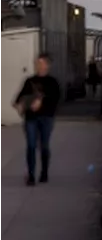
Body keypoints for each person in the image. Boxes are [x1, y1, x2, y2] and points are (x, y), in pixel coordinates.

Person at [11, 53, 61, 186]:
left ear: (47, 65)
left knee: (44, 146)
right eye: (37, 63)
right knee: (31, 146)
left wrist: (41, 102)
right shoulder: (29, 81)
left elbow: (55, 100)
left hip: (46, 118)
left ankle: (44, 172)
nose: (38, 66)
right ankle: (31, 175)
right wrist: (20, 105)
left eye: (41, 63)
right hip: (31, 118)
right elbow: (19, 98)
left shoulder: (53, 82)